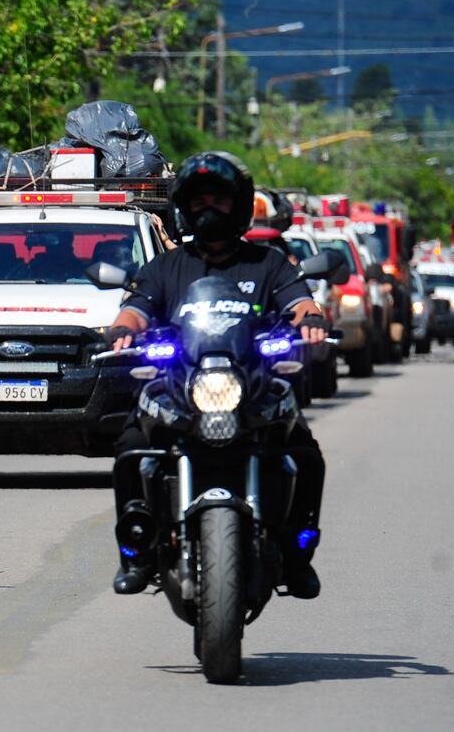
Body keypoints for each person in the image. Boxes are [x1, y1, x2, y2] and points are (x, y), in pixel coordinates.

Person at [104, 151, 329, 599]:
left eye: (220, 199)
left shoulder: (268, 264)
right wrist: (122, 332)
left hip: (252, 387)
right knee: (130, 449)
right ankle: (137, 552)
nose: (209, 207)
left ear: (240, 205)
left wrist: (312, 321)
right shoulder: (166, 267)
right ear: (184, 206)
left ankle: (297, 552)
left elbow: (302, 303)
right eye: (200, 198)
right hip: (180, 386)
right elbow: (135, 310)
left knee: (306, 454)